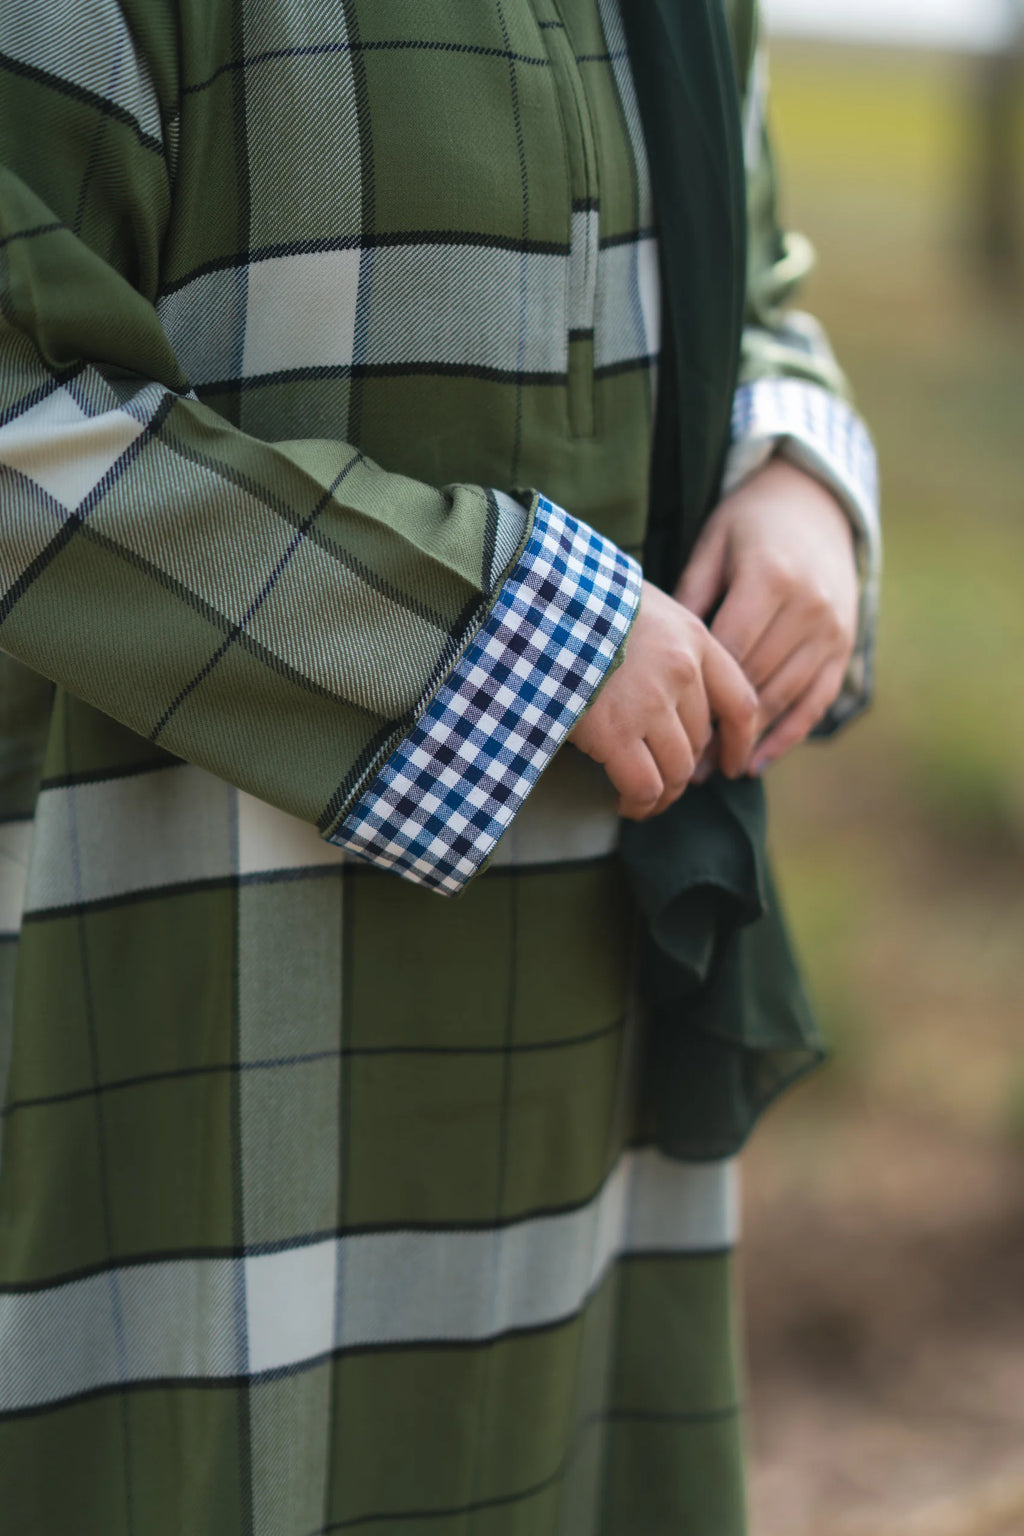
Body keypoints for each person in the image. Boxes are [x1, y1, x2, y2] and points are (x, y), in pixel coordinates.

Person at [0, 1, 879, 1531]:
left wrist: (799, 465)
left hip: (589, 1016)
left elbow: (750, 277)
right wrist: (492, 628)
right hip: (181, 990)